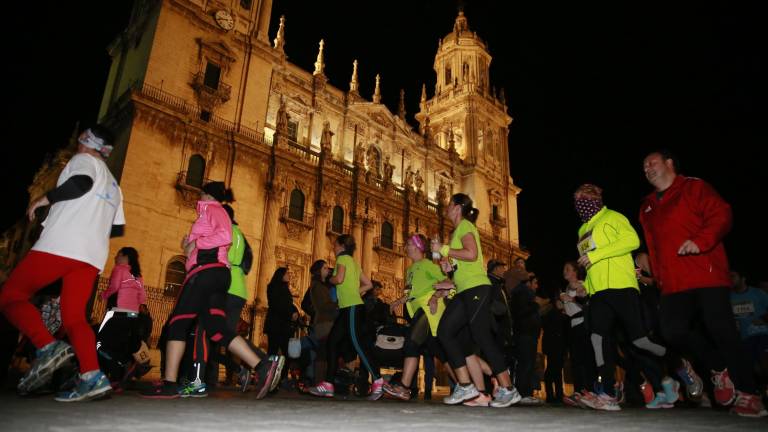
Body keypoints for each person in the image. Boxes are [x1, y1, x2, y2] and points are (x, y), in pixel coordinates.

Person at [0, 125, 124, 401]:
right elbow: (117, 227)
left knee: (11, 296)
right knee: (75, 318)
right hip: (91, 256)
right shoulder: (114, 185)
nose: (79, 139)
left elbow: (81, 183)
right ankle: (92, 376)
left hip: (62, 245)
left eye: (84, 136)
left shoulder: (83, 160)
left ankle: (46, 346)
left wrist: (46, 198)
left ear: (88, 141)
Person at [640, 150, 766, 417]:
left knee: (721, 329)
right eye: (644, 167)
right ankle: (717, 366)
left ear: (669, 163)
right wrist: (659, 276)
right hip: (673, 281)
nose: (647, 169)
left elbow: (721, 214)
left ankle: (749, 393)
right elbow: (653, 244)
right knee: (671, 331)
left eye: (652, 163)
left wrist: (702, 240)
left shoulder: (694, 187)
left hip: (705, 271)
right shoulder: (647, 206)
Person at [140, 182, 283, 399]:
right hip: (217, 274)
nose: (199, 197)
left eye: (201, 193)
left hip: (205, 271)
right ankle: (263, 366)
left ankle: (169, 384)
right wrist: (190, 246)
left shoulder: (211, 209)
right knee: (217, 329)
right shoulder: (214, 213)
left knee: (178, 323)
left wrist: (196, 244)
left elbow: (223, 236)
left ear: (206, 195)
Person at [572, 183, 668, 411]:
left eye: (584, 199)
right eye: (577, 202)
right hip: (598, 293)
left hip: (622, 288)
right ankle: (607, 392)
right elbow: (589, 262)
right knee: (598, 339)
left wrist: (597, 254)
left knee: (639, 341)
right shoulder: (582, 230)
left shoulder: (613, 217)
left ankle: (676, 361)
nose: (581, 205)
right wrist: (586, 285)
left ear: (596, 199)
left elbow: (632, 241)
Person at [431, 193, 522, 407]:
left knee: (482, 338)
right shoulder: (457, 232)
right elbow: (464, 264)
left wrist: (442, 249)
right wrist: (449, 270)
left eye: (449, 204)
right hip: (465, 290)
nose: (446, 207)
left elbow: (471, 254)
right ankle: (465, 386)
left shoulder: (465, 226)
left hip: (476, 289)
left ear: (457, 207)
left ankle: (508, 389)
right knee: (445, 332)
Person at [308, 234, 384, 399]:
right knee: (332, 342)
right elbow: (369, 284)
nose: (333, 248)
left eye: (335, 245)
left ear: (342, 246)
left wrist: (329, 279)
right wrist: (355, 293)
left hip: (350, 308)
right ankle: (328, 384)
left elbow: (339, 279)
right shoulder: (354, 263)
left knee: (357, 343)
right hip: (348, 308)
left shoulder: (342, 259)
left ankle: (378, 380)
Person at [383, 234, 451, 401]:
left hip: (428, 309)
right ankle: (467, 384)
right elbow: (411, 293)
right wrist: (397, 301)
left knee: (411, 343)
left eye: (408, 244)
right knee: (439, 352)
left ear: (418, 247)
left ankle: (404, 388)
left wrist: (435, 298)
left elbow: (448, 283)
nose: (405, 247)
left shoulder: (428, 265)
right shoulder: (410, 269)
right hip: (417, 311)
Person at [96, 247, 147, 384]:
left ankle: (123, 366)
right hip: (133, 316)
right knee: (119, 344)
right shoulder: (138, 276)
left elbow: (114, 287)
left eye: (118, 255)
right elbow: (142, 298)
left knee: (99, 343)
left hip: (117, 313)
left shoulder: (119, 269)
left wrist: (103, 295)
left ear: (125, 257)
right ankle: (119, 374)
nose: (115, 258)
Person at [306, 260, 338, 385]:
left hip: (326, 322)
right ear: (318, 271)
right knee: (323, 353)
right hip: (324, 323)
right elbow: (324, 305)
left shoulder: (323, 286)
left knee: (324, 352)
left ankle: (321, 381)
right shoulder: (317, 286)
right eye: (325, 268)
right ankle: (320, 381)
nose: (328, 270)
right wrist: (339, 305)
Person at [264, 267, 298, 358]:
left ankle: (283, 372)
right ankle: (270, 371)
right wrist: (290, 313)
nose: (289, 275)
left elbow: (289, 304)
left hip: (285, 326)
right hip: (275, 325)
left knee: (288, 354)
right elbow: (276, 304)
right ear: (280, 275)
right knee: (273, 352)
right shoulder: (272, 287)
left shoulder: (285, 289)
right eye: (287, 273)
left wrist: (295, 311)